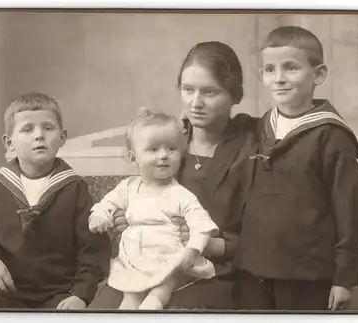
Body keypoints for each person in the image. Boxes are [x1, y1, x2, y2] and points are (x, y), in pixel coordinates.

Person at [89, 41, 256, 310]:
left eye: (210, 92)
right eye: (188, 90)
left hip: (211, 272)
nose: (195, 102)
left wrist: (210, 245)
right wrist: (126, 217)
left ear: (235, 95)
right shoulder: (166, 141)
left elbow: (264, 237)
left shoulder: (251, 151)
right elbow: (137, 195)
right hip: (144, 264)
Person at [233, 26, 358, 311]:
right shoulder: (258, 128)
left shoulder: (331, 136)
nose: (278, 79)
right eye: (270, 70)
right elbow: (216, 129)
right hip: (253, 270)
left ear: (318, 75)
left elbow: (350, 209)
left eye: (291, 68)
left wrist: (343, 277)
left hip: (306, 274)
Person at [0, 92, 111, 309]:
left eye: (48, 128)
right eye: (27, 129)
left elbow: (93, 248)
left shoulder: (74, 188)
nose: (39, 135)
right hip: (10, 293)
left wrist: (81, 294)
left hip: (62, 294)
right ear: (9, 143)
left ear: (62, 137)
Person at [88, 107, 219, 310]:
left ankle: (155, 303)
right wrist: (99, 216)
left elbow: (201, 224)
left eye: (172, 149)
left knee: (162, 287)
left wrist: (193, 249)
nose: (164, 155)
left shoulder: (180, 195)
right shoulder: (128, 188)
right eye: (153, 149)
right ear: (134, 158)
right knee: (129, 300)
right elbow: (107, 204)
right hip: (134, 259)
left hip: (167, 258)